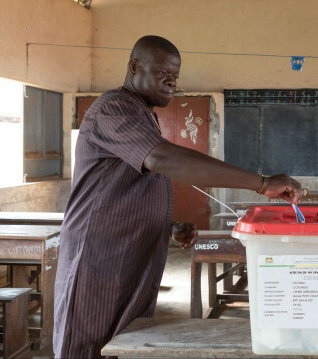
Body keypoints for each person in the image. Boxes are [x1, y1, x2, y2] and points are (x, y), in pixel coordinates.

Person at [53, 35, 303, 358]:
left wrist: (166, 226)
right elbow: (162, 160)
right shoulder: (114, 108)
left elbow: (122, 190)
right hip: (98, 264)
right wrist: (262, 182)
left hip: (129, 262)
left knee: (121, 346)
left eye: (176, 77)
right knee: (88, 346)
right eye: (163, 75)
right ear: (134, 67)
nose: (172, 84)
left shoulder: (144, 114)